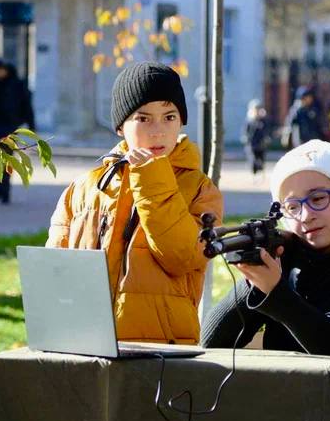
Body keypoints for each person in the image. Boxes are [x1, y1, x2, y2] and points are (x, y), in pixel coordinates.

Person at [46, 62, 223, 344]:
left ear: (181, 122)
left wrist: (152, 177)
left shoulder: (201, 190)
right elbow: (54, 273)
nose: (158, 131)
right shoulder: (82, 189)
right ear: (120, 127)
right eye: (143, 118)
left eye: (169, 117)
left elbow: (181, 257)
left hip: (163, 349)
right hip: (86, 342)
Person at [200, 140, 330, 355]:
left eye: (318, 198)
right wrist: (254, 282)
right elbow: (212, 341)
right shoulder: (286, 264)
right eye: (292, 207)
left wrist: (275, 292)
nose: (306, 216)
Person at [0, 60, 36, 204]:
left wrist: (31, 126)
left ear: (3, 70)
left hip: (10, 128)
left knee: (7, 159)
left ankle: (5, 191)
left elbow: (27, 106)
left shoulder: (18, 84)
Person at [242, 99, 270, 181]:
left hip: (261, 144)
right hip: (252, 144)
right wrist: (246, 138)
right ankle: (254, 176)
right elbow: (246, 131)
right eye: (256, 109)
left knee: (262, 160)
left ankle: (262, 175)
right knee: (253, 160)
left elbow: (267, 130)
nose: (257, 111)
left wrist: (266, 138)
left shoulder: (263, 120)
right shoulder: (249, 120)